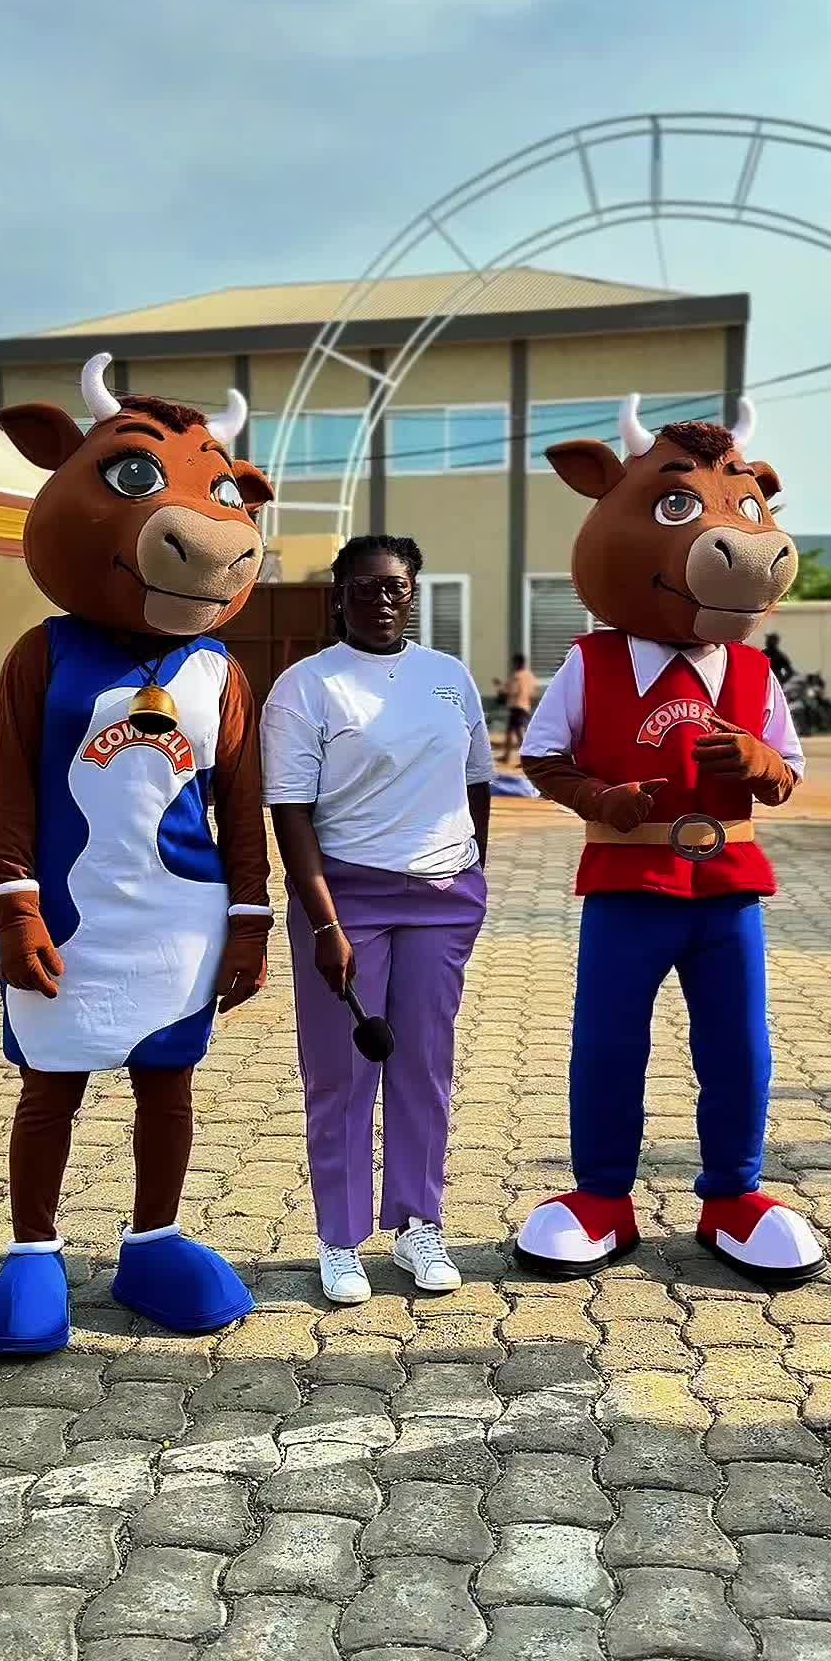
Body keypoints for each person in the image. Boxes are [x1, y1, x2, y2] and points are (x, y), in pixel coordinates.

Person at [0, 354, 274, 1357]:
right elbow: (10, 794)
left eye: (222, 493)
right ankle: (33, 1253)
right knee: (51, 1084)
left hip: (179, 920)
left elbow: (241, 805)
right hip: (67, 918)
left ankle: (153, 1241)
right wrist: (14, 906)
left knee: (167, 1081)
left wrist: (250, 918)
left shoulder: (218, 669)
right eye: (138, 477)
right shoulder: (44, 654)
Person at [515, 394, 825, 1287]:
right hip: (627, 881)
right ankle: (602, 1196)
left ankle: (733, 1196)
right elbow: (543, 755)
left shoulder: (755, 669)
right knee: (610, 1043)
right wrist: (596, 797)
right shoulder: (592, 662)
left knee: (739, 1047)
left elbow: (788, 772)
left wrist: (760, 760)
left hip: (728, 883)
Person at [262, 534, 492, 1305]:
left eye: (396, 586)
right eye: (365, 586)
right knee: (344, 1071)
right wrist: (324, 923)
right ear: (339, 596)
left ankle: (419, 1224)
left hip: (441, 900)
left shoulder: (448, 677)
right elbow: (290, 812)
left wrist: (471, 870)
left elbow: (476, 781)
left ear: (413, 592)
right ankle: (340, 1238)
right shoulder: (307, 686)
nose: (383, 598)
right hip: (347, 899)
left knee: (424, 1066)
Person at [499, 652, 538, 764]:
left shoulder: (516, 676)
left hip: (516, 706)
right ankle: (508, 756)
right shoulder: (530, 676)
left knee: (517, 732)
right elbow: (533, 693)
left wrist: (501, 690)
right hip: (525, 706)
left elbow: (511, 691)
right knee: (514, 732)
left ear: (516, 663)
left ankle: (526, 757)